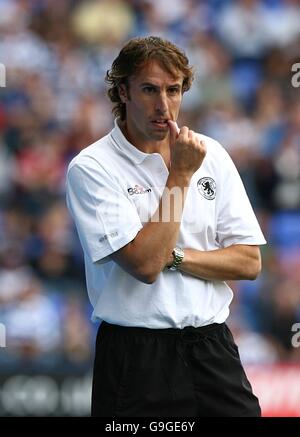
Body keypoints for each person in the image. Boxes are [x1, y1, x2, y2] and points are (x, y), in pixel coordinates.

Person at [66, 36, 266, 417]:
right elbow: (143, 265)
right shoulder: (92, 167)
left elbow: (248, 262)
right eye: (149, 90)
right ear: (122, 91)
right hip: (134, 356)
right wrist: (180, 176)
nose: (164, 106)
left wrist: (174, 257)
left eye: (173, 90)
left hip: (212, 348)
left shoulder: (211, 153)